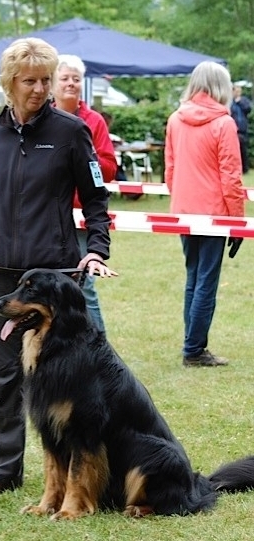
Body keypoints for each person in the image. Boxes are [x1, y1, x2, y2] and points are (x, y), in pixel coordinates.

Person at [0, 37, 115, 497]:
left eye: (46, 79)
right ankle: (2, 474)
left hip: (56, 277)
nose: (40, 89)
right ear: (9, 83)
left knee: (73, 377)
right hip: (1, 271)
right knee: (4, 375)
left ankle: (84, 473)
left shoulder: (70, 132)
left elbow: (98, 200)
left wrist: (95, 249)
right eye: (30, 81)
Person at [165, 61, 245, 368]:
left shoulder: (175, 119)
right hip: (213, 214)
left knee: (193, 277)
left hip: (184, 212)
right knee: (206, 282)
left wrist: (182, 199)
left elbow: (170, 170)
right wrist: (237, 223)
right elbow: (231, 177)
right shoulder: (224, 124)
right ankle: (194, 350)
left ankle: (192, 343)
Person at [52, 54, 117, 332]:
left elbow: (109, 169)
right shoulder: (43, 119)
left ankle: (99, 348)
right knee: (53, 286)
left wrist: (83, 159)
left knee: (84, 285)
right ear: (52, 84)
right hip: (50, 217)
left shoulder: (95, 121)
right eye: (64, 78)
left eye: (76, 79)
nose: (70, 84)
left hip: (82, 218)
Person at [230, 84, 252, 174]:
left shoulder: (244, 101)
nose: (237, 93)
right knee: (234, 151)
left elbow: (248, 109)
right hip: (234, 129)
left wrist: (240, 102)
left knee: (243, 150)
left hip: (243, 129)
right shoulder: (230, 102)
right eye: (236, 91)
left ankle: (245, 169)